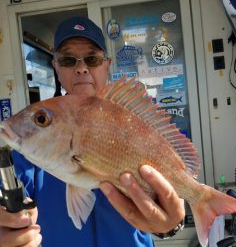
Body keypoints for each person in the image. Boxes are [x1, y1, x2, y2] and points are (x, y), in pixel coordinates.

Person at [0, 17, 185, 247]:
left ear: (106, 65)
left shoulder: (135, 122)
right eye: (68, 60)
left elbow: (170, 195)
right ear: (56, 67)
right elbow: (8, 207)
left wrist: (171, 224)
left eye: (92, 59)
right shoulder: (26, 155)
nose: (81, 68)